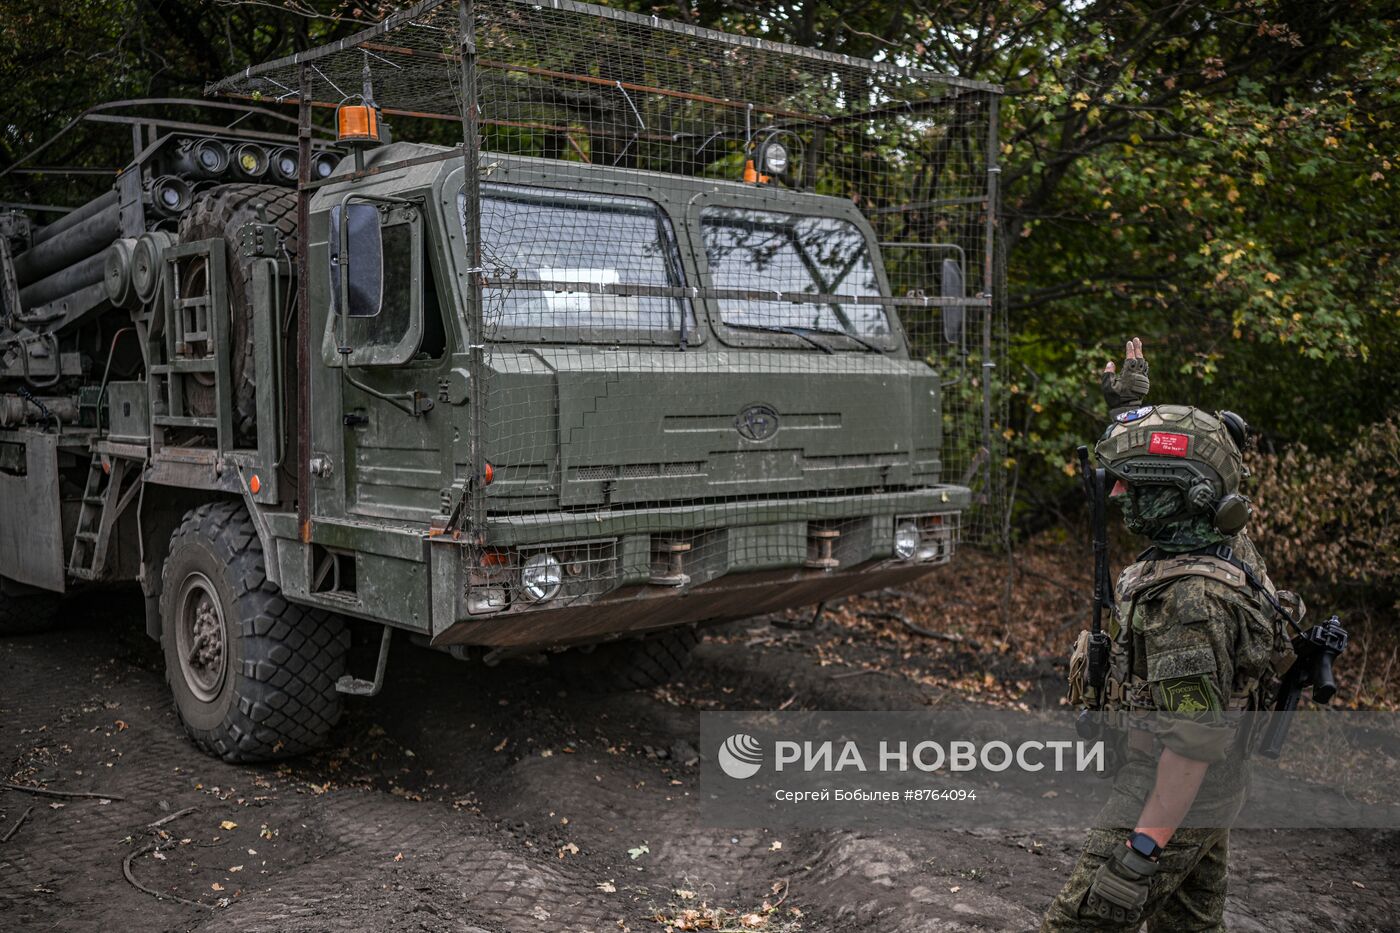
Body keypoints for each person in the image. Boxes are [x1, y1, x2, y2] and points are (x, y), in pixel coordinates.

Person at [1041, 338, 1293, 932]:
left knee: (1075, 923)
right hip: (1217, 785)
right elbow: (1209, 451)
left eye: (1137, 484)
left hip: (1172, 791)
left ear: (1187, 495)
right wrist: (1130, 414)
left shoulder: (1187, 603)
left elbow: (1189, 746)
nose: (1119, 494)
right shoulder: (1220, 541)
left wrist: (1140, 854)